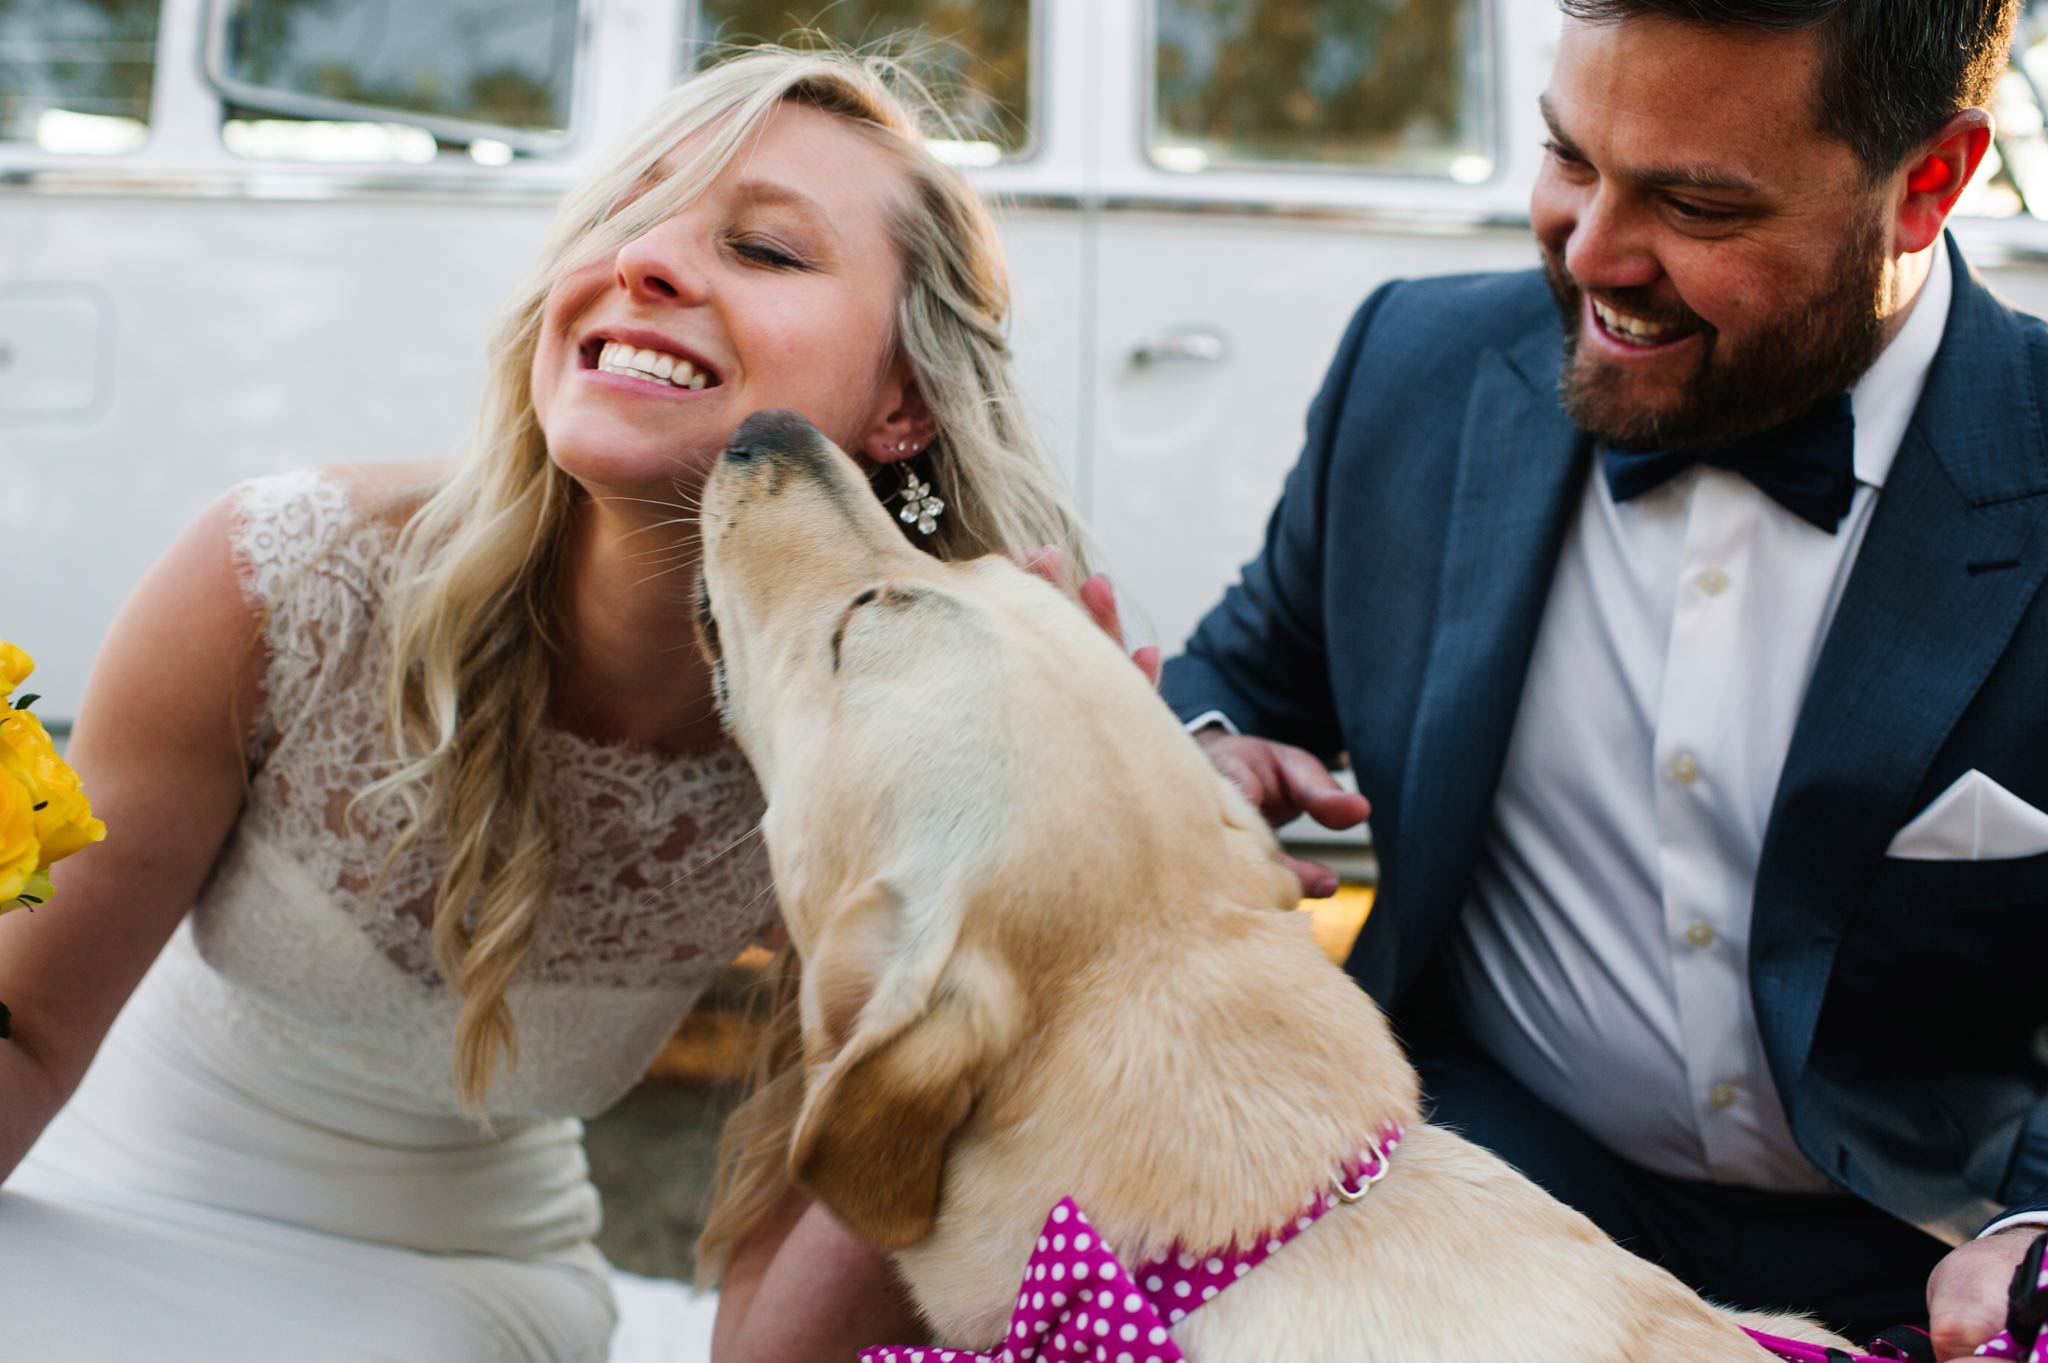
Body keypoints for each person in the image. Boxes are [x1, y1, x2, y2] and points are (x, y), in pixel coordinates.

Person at [0, 47, 1095, 1362]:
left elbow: (770, 1339)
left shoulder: (889, 747)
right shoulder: (275, 584)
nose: (651, 263)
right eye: (630, 216)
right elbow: (33, 1040)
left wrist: (1009, 926)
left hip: (459, 1295)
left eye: (765, 249)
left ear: (904, 402)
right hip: (91, 1204)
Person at [1159, 0, 2048, 1356]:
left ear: (1928, 182)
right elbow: (1243, 673)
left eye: (1695, 205)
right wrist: (1209, 758)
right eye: (1570, 157)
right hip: (1480, 1220)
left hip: (1927, 1276)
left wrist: (2037, 1227)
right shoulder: (1414, 369)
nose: (1590, 252)